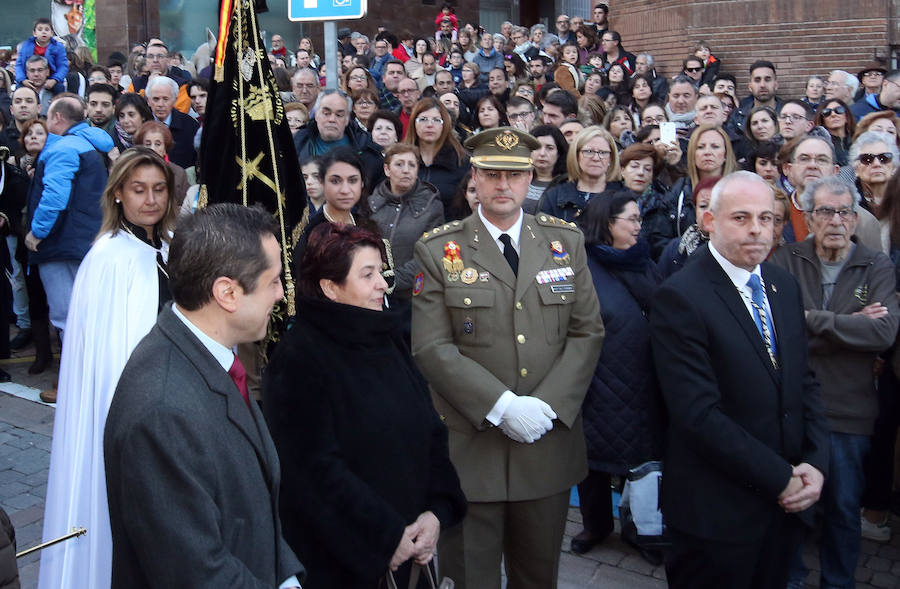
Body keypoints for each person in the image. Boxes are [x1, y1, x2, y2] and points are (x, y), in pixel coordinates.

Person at [411, 127, 604, 589]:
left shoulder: (565, 243)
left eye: (514, 175)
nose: (503, 185)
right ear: (473, 177)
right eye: (492, 174)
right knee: (469, 579)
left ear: (529, 178)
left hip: (546, 447)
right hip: (470, 455)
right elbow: (431, 347)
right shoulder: (438, 249)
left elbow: (587, 331)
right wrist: (502, 406)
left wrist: (549, 406)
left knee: (538, 579)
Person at [104, 203, 305, 588]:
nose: (282, 294)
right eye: (273, 281)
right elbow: (194, 571)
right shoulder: (162, 410)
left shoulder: (209, 358)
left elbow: (253, 514)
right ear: (227, 293)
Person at [651, 171, 831, 589]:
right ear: (710, 222)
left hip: (782, 510)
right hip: (717, 516)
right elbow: (697, 415)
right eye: (742, 217)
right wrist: (782, 478)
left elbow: (804, 382)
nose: (757, 230)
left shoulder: (782, 285)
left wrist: (817, 464)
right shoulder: (680, 296)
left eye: (767, 219)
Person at [264, 221, 465, 588]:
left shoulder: (385, 337)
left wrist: (437, 510)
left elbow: (430, 428)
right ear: (330, 287)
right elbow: (313, 471)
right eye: (368, 274)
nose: (383, 285)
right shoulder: (298, 358)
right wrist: (385, 537)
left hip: (412, 547)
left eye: (382, 272)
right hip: (345, 562)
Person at [37, 147, 176, 589]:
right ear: (117, 194)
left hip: (172, 401)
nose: (150, 199)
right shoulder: (107, 258)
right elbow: (106, 358)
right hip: (129, 408)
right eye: (138, 190)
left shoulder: (171, 249)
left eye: (159, 190)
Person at [771, 176, 899, 589]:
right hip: (794, 407)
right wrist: (847, 327)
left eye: (845, 211)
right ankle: (790, 579)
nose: (837, 220)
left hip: (850, 410)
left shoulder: (876, 265)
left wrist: (812, 322)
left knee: (844, 509)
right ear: (808, 217)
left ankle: (838, 583)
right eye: (826, 211)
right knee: (792, 503)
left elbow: (883, 335)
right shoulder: (785, 259)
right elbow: (777, 327)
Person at [570, 192, 663, 558]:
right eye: (632, 219)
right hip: (600, 378)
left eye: (640, 219)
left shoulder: (644, 261)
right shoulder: (583, 264)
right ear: (608, 224)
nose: (640, 226)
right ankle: (595, 526)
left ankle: (642, 529)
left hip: (645, 377)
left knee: (644, 458)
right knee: (592, 459)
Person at [25, 93, 113, 335]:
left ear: (58, 117)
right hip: (85, 241)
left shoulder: (63, 148)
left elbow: (55, 196)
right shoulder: (91, 144)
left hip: (61, 246)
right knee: (88, 317)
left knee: (68, 320)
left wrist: (37, 232)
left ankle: (76, 372)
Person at [643, 124, 737, 258]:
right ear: (693, 154)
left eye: (715, 146)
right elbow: (660, 241)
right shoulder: (678, 192)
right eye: (700, 147)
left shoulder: (739, 191)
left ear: (726, 155)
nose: (707, 152)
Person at [369, 143, 444, 304]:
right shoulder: (371, 204)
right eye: (399, 164)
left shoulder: (432, 206)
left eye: (412, 165)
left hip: (415, 298)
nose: (406, 170)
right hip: (372, 294)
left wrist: (393, 281)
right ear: (387, 170)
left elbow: (430, 255)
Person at [294, 89, 385, 192]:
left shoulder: (368, 151)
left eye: (339, 115)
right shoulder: (296, 145)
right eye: (326, 113)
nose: (332, 119)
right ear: (316, 115)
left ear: (347, 119)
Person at [540, 125, 622, 222]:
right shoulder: (554, 196)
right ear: (576, 155)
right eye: (589, 151)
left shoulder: (623, 197)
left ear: (611, 158)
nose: (596, 158)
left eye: (603, 153)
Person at [404, 97, 470, 217]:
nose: (430, 125)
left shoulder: (462, 161)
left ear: (444, 125)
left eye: (436, 120)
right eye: (423, 119)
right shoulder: (402, 159)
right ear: (414, 123)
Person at [655, 175, 718, 278]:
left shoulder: (735, 248)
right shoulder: (675, 248)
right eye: (703, 206)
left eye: (714, 206)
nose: (708, 212)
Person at [145, 76, 199, 169]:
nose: (160, 104)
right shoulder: (142, 125)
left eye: (165, 99)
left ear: (175, 100)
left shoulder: (190, 126)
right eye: (156, 99)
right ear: (148, 101)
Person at [133, 121, 190, 207]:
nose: (152, 148)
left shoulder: (178, 173)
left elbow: (186, 208)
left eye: (158, 144)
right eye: (148, 144)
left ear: (165, 148)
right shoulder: (132, 171)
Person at [15, 18, 67, 93]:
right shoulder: (26, 46)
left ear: (52, 33)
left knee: (59, 88)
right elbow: (19, 65)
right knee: (19, 88)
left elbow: (62, 66)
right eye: (40, 29)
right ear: (34, 33)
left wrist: (55, 79)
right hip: (29, 78)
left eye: (47, 30)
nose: (43, 32)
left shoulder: (58, 47)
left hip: (51, 78)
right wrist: (23, 79)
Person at [851, 131, 898, 213]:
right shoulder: (847, 202)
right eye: (867, 159)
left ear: (894, 167)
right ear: (856, 169)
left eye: (884, 158)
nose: (877, 164)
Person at [732, 61, 782, 133]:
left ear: (776, 85)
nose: (762, 85)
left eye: (767, 79)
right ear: (750, 87)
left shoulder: (788, 114)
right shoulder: (737, 117)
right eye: (757, 80)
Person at [527, 125, 567, 213]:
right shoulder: (520, 178)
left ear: (559, 153)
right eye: (537, 147)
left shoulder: (566, 184)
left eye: (549, 148)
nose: (542, 153)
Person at [814, 99, 856, 166]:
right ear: (822, 119)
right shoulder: (819, 144)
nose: (833, 114)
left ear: (847, 116)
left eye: (839, 110)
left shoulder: (859, 140)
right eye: (827, 112)